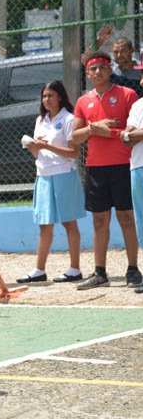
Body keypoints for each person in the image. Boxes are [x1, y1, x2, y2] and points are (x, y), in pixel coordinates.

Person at [72, 52, 142, 290]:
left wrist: (108, 133)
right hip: (96, 168)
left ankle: (133, 269)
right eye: (93, 68)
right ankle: (100, 272)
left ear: (110, 69)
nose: (98, 72)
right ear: (88, 73)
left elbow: (133, 133)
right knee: (99, 221)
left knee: (126, 218)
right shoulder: (83, 102)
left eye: (102, 67)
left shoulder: (128, 95)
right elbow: (75, 137)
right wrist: (94, 128)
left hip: (124, 165)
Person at [17, 81, 85, 283]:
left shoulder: (68, 119)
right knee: (44, 224)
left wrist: (47, 147)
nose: (46, 99)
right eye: (44, 96)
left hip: (64, 174)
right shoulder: (41, 119)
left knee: (69, 222)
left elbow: (74, 152)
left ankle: (75, 269)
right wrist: (32, 146)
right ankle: (39, 270)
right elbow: (37, 152)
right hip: (44, 175)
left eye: (50, 96)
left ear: (60, 97)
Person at [121, 90, 143, 294]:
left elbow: (129, 135)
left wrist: (132, 134)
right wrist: (131, 134)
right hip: (137, 167)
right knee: (141, 223)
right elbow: (125, 138)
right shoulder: (137, 106)